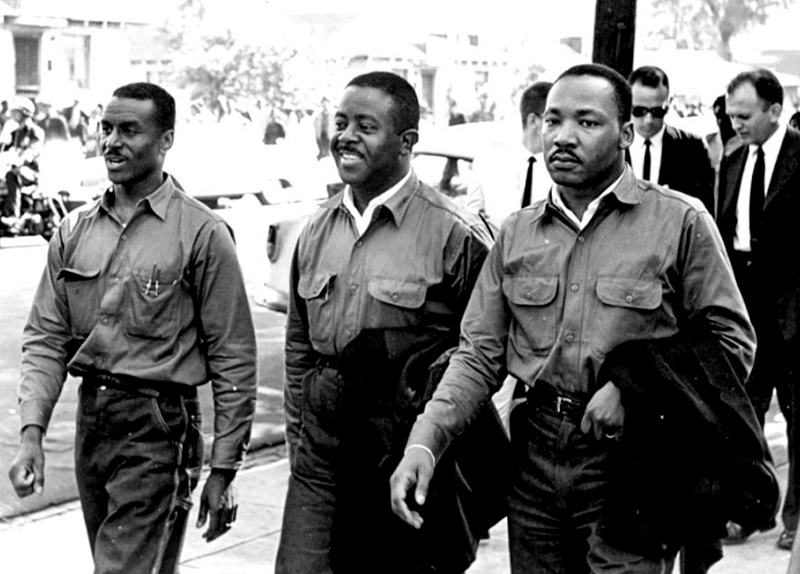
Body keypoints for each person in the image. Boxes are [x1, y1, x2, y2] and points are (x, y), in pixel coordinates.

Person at [390, 63, 758, 574]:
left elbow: (731, 342)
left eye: (587, 123)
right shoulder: (517, 234)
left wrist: (636, 390)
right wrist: (425, 442)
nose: (563, 137)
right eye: (553, 120)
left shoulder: (680, 221)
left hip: (634, 463)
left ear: (626, 135)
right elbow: (477, 355)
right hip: (536, 456)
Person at [7, 82, 257, 574]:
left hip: (159, 428)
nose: (111, 142)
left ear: (165, 141)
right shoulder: (75, 229)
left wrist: (224, 468)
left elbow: (234, 355)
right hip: (94, 422)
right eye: (105, 129)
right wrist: (31, 434)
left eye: (129, 130)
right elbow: (46, 338)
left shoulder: (202, 233)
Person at [275, 71, 494, 574]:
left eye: (365, 126)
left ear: (406, 142)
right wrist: (298, 442)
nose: (346, 136)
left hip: (399, 447)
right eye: (341, 122)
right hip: (322, 450)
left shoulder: (454, 234)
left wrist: (435, 449)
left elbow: (484, 355)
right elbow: (298, 347)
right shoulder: (316, 229)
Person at [716, 68, 800, 550]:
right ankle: (751, 510)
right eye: (731, 116)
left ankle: (795, 519)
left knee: (796, 418)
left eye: (745, 116)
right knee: (743, 415)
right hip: (744, 310)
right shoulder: (730, 159)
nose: (737, 124)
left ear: (775, 110)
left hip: (792, 312)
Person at [626, 66, 715, 213]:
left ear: (669, 103)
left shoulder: (692, 149)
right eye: (639, 111)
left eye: (657, 111)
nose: (648, 120)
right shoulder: (613, 146)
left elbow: (704, 210)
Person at [465, 81, 553, 230]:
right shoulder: (488, 163)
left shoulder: (564, 170)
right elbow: (471, 222)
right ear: (533, 120)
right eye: (553, 120)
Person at [0, 96, 44, 224]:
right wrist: (3, 139)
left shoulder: (36, 132)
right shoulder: (15, 132)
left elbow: (32, 151)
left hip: (31, 172)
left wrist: (20, 160)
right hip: (15, 168)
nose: (12, 115)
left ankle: (13, 215)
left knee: (12, 175)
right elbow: (3, 148)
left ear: (25, 113)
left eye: (16, 112)